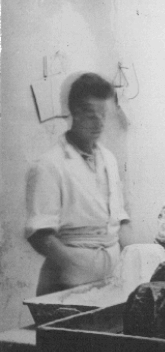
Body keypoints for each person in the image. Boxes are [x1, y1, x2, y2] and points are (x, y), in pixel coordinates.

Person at [25, 73, 130, 296]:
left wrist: (136, 257)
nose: (99, 123)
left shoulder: (108, 159)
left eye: (103, 115)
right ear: (73, 112)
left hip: (109, 279)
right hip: (66, 283)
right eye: (90, 115)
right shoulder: (49, 164)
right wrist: (74, 265)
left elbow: (120, 221)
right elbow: (39, 235)